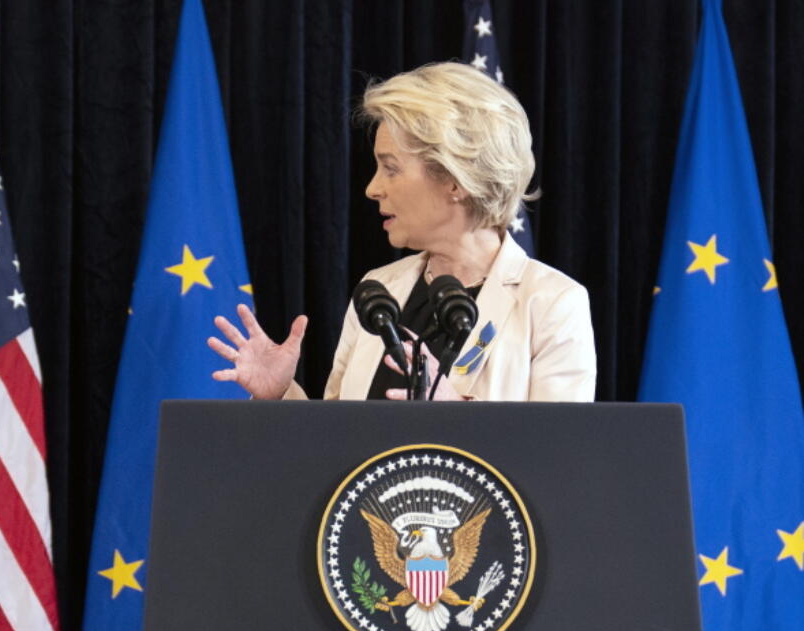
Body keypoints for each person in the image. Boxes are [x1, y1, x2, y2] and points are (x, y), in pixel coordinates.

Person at [209, 62, 596, 401]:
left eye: (390, 168)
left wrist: (458, 415)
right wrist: (281, 394)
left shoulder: (551, 304)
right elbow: (335, 451)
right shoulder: (379, 290)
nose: (372, 188)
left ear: (455, 180)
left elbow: (561, 462)